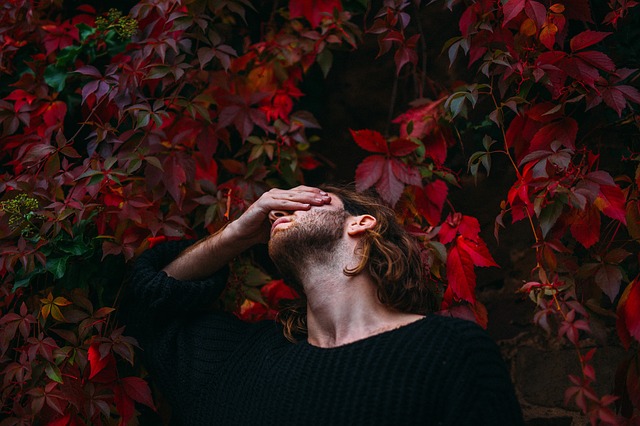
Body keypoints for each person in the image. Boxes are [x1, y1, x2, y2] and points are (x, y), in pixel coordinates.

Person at [124, 185, 523, 425]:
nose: (279, 208)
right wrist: (235, 235)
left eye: (305, 198)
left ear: (360, 222)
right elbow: (145, 307)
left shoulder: (449, 349)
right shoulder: (236, 361)